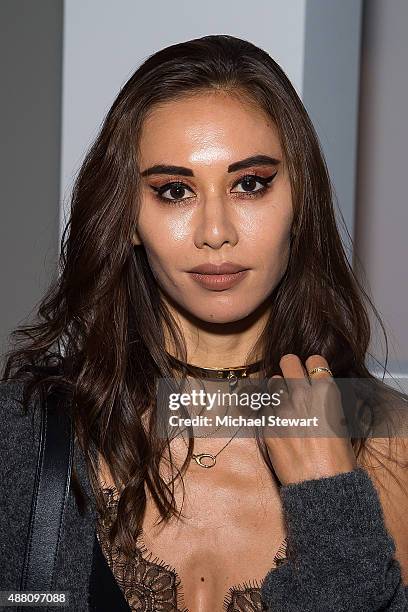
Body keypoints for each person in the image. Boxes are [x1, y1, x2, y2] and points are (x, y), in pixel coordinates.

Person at [1, 34, 408, 612]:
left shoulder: (394, 453)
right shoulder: (23, 438)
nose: (215, 231)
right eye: (174, 191)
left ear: (302, 200)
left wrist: (331, 506)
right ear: (128, 219)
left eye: (250, 184)